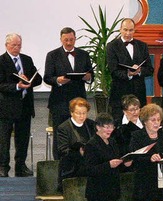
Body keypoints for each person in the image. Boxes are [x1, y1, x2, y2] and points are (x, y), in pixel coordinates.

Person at [44, 27, 94, 160]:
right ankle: (59, 163)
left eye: (71, 39)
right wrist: (58, 80)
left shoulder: (83, 54)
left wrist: (88, 77)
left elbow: (91, 75)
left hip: (79, 102)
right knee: (59, 134)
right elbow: (47, 77)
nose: (69, 43)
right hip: (59, 102)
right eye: (66, 40)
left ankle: (81, 161)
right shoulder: (52, 55)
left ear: (75, 39)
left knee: (81, 133)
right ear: (61, 39)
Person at [0, 33, 43, 177]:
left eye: (19, 45)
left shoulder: (26, 59)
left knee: (23, 139)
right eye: (13, 45)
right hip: (6, 108)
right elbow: (1, 85)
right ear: (6, 45)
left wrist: (31, 81)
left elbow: (38, 79)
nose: (16, 48)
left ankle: (20, 166)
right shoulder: (1, 61)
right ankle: (3, 167)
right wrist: (17, 86)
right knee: (4, 139)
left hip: (25, 106)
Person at [56, 97, 95, 201]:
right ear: (72, 112)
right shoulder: (64, 127)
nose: (81, 116)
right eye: (78, 113)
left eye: (84, 113)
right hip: (70, 171)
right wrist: (78, 151)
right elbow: (62, 150)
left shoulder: (90, 125)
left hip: (86, 170)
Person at [106, 18, 154, 121]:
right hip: (120, 93)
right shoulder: (112, 46)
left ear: (134, 30)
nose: (128, 33)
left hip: (138, 92)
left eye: (131, 30)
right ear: (120, 30)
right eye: (125, 30)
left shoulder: (142, 46)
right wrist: (128, 74)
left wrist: (140, 71)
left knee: (140, 123)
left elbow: (150, 69)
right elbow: (113, 71)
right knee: (119, 124)